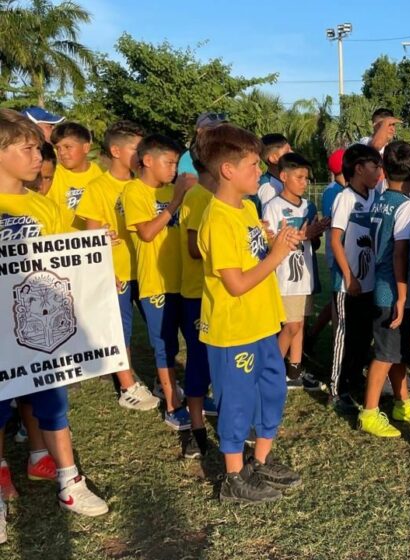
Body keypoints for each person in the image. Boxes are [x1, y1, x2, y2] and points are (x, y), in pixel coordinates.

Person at [0, 109, 109, 529]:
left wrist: (93, 246)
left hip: (39, 330)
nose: (37, 155)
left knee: (53, 403)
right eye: (26, 148)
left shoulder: (43, 206)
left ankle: (69, 480)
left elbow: (64, 257)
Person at [194, 123, 303, 503]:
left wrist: (278, 242)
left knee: (271, 391)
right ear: (228, 170)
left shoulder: (248, 208)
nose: (261, 171)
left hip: (260, 322)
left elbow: (254, 252)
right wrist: (275, 257)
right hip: (233, 329)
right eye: (254, 165)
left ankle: (258, 461)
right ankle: (233, 476)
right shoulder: (218, 217)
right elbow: (236, 283)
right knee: (237, 402)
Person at [76, 120, 161, 411]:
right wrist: (104, 271)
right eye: (136, 149)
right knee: (119, 329)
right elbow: (91, 235)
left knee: (159, 327)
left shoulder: (148, 185)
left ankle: (164, 378)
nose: (141, 155)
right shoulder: (98, 188)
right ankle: (127, 385)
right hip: (118, 273)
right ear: (115, 150)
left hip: (149, 271)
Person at [123, 134, 193, 430]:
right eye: (169, 162)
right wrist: (176, 200)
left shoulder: (171, 190)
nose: (174, 169)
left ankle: (193, 394)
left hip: (184, 281)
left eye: (176, 163)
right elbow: (147, 233)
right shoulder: (134, 191)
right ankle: (172, 404)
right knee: (164, 345)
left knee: (192, 340)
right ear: (147, 160)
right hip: (157, 284)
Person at [358, 141, 410, 438]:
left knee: (398, 352)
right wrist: (403, 295)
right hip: (392, 291)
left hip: (380, 284)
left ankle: (401, 401)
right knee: (384, 354)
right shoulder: (406, 206)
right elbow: (399, 253)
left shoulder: (379, 199)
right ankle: (369, 412)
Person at [263, 153, 327, 391]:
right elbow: (269, 244)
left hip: (305, 276)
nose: (304, 182)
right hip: (285, 279)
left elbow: (314, 243)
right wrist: (300, 235)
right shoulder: (273, 207)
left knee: (299, 324)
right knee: (289, 327)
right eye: (299, 177)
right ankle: (272, 371)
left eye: (307, 178)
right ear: (283, 176)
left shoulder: (309, 207)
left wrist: (315, 233)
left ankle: (294, 371)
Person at [329, 144, 381, 414]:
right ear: (359, 169)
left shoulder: (374, 197)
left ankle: (354, 377)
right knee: (344, 335)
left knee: (362, 336)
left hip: (370, 281)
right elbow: (335, 239)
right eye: (374, 166)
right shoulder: (345, 198)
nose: (379, 172)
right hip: (348, 285)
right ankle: (337, 390)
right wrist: (349, 277)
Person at [177, 140, 219, 459]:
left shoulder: (227, 199)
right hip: (198, 295)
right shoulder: (197, 197)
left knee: (222, 359)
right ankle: (196, 428)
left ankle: (223, 414)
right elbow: (194, 249)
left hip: (223, 294)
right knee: (199, 360)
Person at [304, 148, 346, 360]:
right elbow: (333, 221)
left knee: (336, 301)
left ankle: (312, 335)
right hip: (336, 252)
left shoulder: (340, 188)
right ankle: (319, 338)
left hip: (344, 252)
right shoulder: (333, 191)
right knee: (338, 300)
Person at [46, 122, 103, 230]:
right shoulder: (53, 175)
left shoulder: (99, 173)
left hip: (93, 242)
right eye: (58, 148)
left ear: (86, 148)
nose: (61, 152)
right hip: (63, 243)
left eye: (67, 147)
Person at [177, 111, 228, 177]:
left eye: (222, 129)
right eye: (213, 129)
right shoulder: (188, 158)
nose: (219, 133)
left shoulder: (228, 153)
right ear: (200, 131)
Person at [255, 133, 292, 211]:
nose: (292, 153)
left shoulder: (278, 182)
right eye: (287, 152)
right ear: (274, 158)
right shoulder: (269, 187)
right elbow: (270, 221)